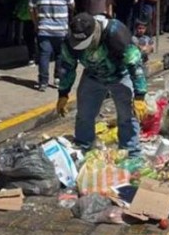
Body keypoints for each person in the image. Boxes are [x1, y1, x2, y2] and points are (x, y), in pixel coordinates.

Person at [58, 13, 148, 156]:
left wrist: (139, 95)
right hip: (92, 75)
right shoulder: (70, 41)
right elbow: (67, 66)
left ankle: (131, 152)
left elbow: (135, 64)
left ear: (95, 32)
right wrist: (63, 93)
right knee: (84, 114)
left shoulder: (115, 33)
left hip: (120, 75)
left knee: (127, 115)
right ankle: (83, 146)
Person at [29, 0, 75, 92]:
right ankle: (58, 79)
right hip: (61, 30)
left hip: (43, 29)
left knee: (44, 55)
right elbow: (72, 5)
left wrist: (35, 23)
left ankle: (43, 82)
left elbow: (31, 7)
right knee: (60, 55)